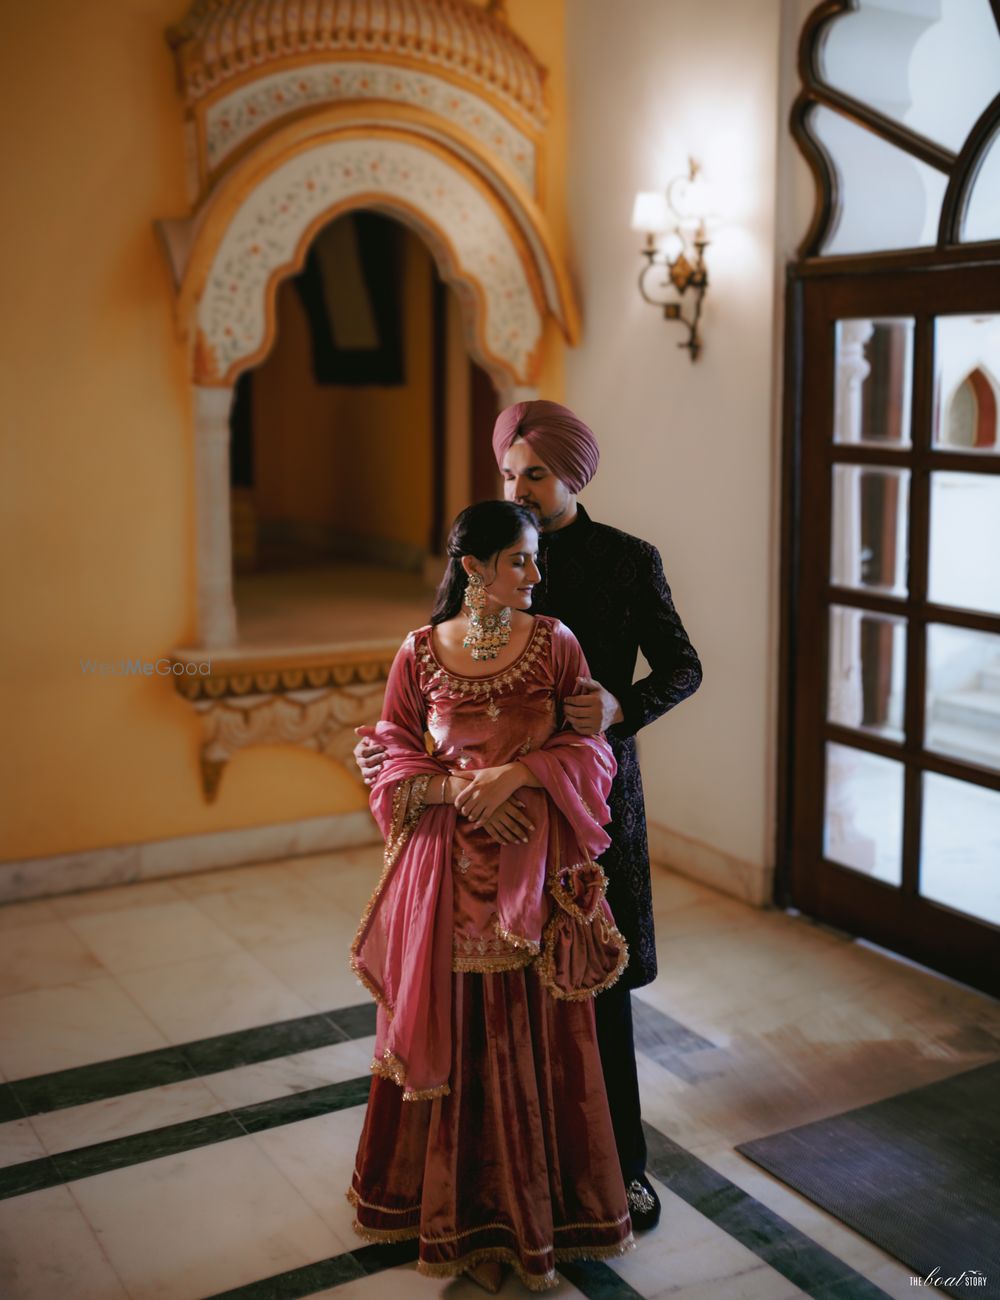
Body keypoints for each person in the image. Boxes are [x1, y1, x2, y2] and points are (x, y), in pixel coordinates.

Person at [356, 401, 703, 1231]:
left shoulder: (626, 560)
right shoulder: (491, 554)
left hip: (591, 799)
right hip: (484, 824)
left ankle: (619, 1168)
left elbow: (684, 667)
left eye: (535, 475)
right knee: (502, 996)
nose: (520, 488)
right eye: (509, 474)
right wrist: (408, 763)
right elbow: (436, 686)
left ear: (572, 476)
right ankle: (504, 1168)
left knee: (596, 979)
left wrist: (620, 705)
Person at [348, 499, 636, 1293]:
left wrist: (518, 774)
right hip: (443, 878)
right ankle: (447, 1214)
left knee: (531, 1038)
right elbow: (393, 753)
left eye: (536, 559)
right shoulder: (417, 653)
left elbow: (589, 748)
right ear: (475, 568)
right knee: (458, 1034)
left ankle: (538, 1217)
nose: (537, 576)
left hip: (530, 871)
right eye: (521, 561)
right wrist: (455, 793)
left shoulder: (556, 644)